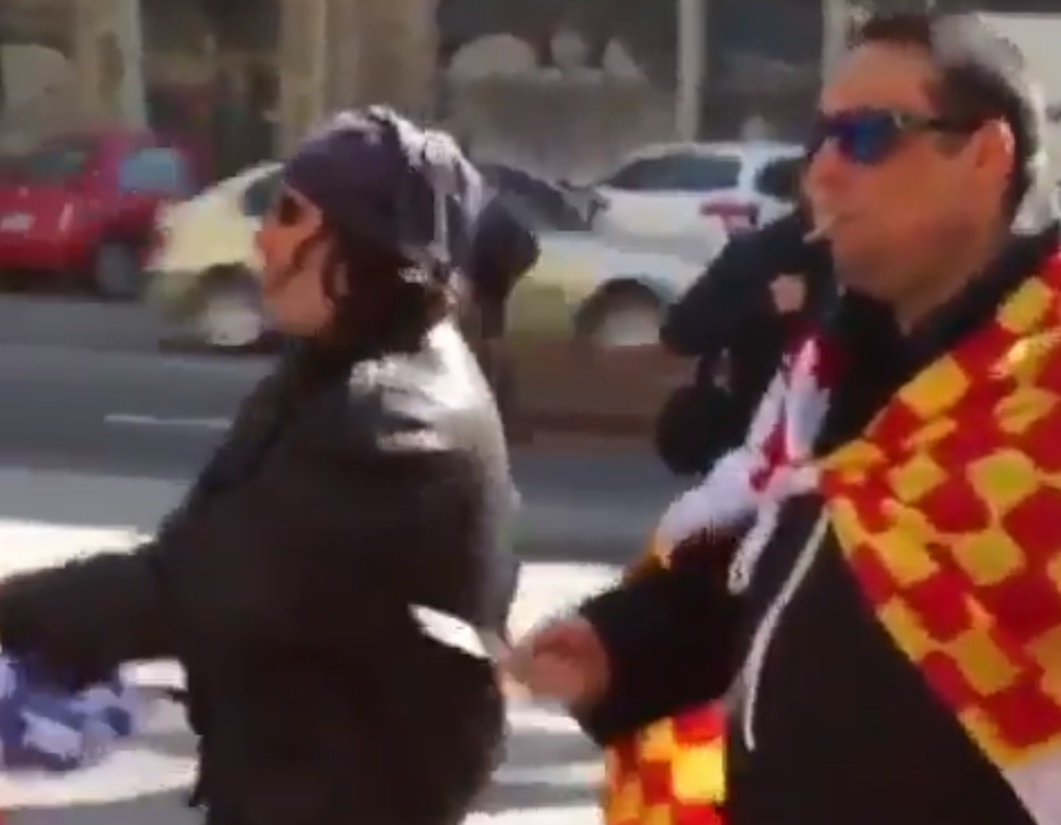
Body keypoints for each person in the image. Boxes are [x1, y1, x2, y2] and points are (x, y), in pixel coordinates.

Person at [509, 11, 1061, 825]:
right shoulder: (820, 379)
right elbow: (766, 576)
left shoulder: (1040, 391)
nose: (821, 173)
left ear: (985, 154)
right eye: (820, 137)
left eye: (869, 136)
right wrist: (618, 647)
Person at [0, 107, 515, 825]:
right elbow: (196, 551)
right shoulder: (343, 364)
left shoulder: (390, 419)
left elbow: (183, 588)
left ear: (366, 243)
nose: (263, 237)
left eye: (289, 212)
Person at [654, 208, 833, 476]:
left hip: (841, 448)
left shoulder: (885, 260)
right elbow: (681, 331)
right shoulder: (763, 252)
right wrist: (765, 303)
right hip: (759, 444)